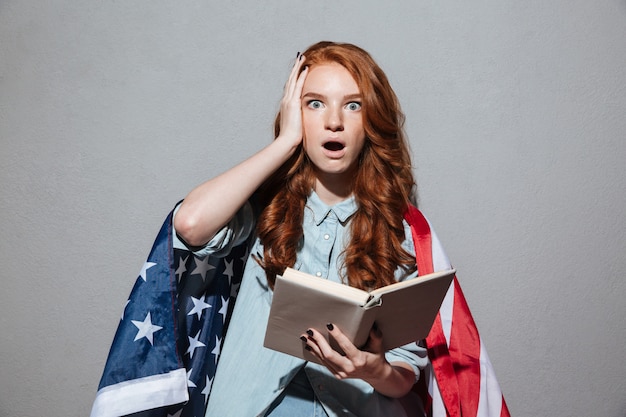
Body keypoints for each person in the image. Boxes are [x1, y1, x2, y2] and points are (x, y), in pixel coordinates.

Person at [173, 41, 430, 417]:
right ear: (295, 112)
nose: (334, 121)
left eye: (353, 105)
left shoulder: (399, 231)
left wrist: (375, 370)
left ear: (371, 121)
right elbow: (190, 224)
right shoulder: (260, 208)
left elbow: (405, 372)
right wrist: (285, 142)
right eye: (315, 103)